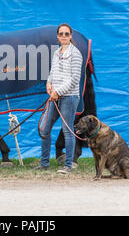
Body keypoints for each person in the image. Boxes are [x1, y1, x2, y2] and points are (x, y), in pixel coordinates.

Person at [35, 23, 83, 174]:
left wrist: (58, 91)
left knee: (67, 130)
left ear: (70, 36)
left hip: (69, 97)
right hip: (54, 96)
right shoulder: (56, 53)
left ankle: (68, 165)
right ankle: (44, 163)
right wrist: (49, 84)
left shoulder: (75, 54)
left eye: (66, 34)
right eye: (61, 34)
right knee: (44, 128)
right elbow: (52, 72)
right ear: (57, 36)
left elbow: (75, 78)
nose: (63, 36)